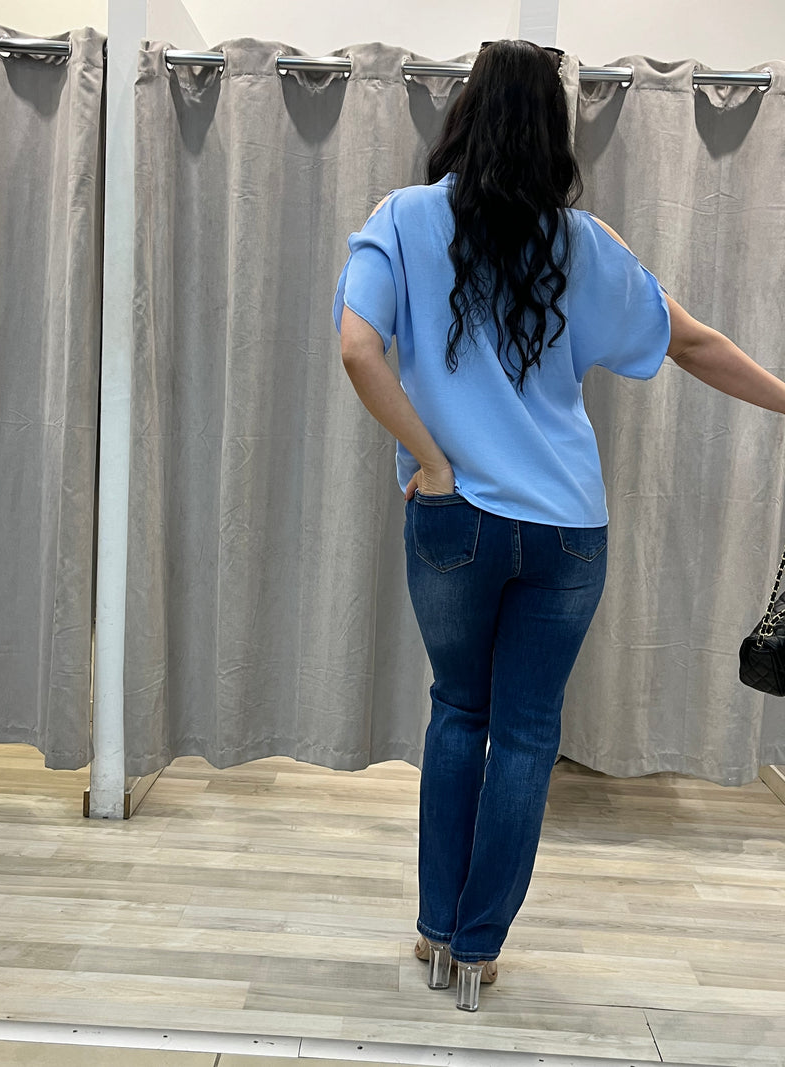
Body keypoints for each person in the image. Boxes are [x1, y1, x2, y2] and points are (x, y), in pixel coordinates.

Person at [333, 39, 785, 1012]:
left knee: (458, 712)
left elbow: (358, 348)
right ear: (553, 131)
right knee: (527, 733)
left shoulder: (401, 219)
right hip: (567, 533)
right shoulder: (583, 244)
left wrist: (435, 462)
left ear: (463, 113)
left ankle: (436, 932)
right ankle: (480, 949)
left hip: (453, 521)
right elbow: (693, 343)